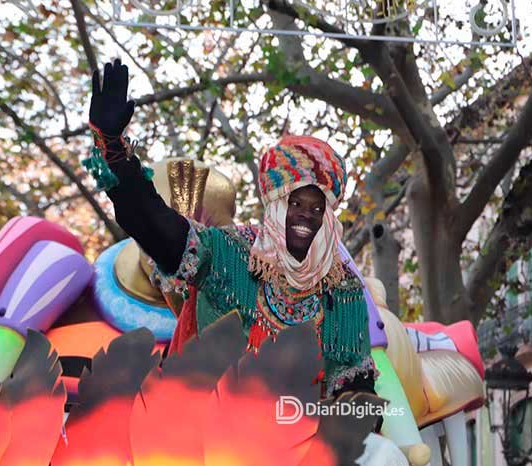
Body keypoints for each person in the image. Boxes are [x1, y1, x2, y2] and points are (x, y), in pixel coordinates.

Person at [86, 59, 377, 399]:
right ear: (275, 205)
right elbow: (159, 228)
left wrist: (353, 415)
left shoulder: (341, 287)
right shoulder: (230, 253)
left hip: (302, 426)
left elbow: (354, 387)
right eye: (295, 203)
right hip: (203, 421)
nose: (306, 216)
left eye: (317, 208)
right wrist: (114, 152)